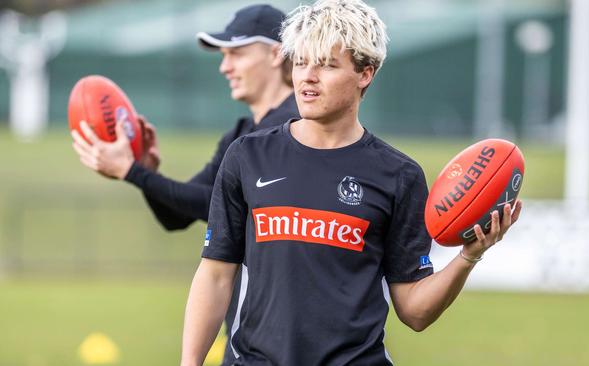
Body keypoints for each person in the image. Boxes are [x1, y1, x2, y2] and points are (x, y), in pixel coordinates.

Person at [181, 0, 522, 365]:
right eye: (300, 63)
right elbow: (216, 275)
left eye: (326, 65)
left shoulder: (398, 175)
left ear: (365, 74)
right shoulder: (247, 156)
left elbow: (415, 311)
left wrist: (469, 256)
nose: (308, 76)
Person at [70, 4, 299, 366]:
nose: (225, 67)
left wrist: (133, 172)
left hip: (291, 336)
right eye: (223, 56)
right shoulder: (239, 136)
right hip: (250, 336)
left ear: (276, 53)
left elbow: (218, 204)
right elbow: (177, 217)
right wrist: (145, 172)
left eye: (236, 54)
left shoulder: (296, 130)